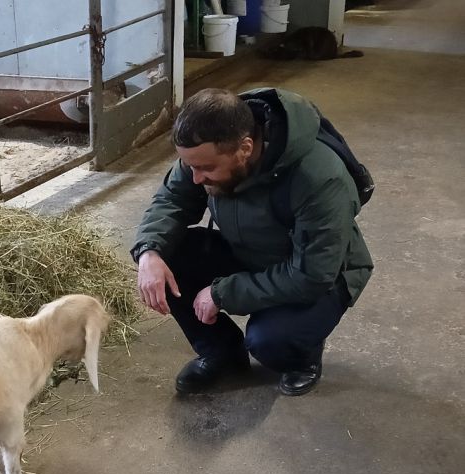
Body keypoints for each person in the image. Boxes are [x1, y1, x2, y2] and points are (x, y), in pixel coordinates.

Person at [131, 87, 373, 396]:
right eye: (189, 166)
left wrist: (222, 293)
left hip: (317, 273)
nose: (196, 178)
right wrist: (149, 251)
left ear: (245, 148)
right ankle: (222, 353)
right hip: (249, 249)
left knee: (270, 342)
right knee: (167, 257)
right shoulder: (208, 147)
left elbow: (313, 274)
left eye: (205, 168)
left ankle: (302, 356)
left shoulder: (319, 179)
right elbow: (172, 200)